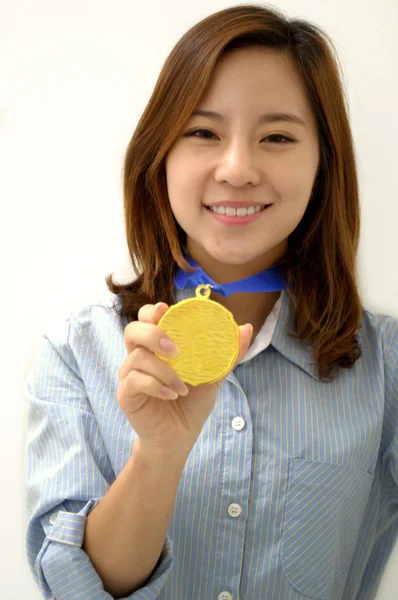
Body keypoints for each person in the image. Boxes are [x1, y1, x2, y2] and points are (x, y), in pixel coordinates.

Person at [24, 4, 398, 600]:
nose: (238, 168)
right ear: (160, 156)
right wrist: (160, 453)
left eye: (276, 136)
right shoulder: (76, 352)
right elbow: (74, 590)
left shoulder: (385, 365)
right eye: (203, 132)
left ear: (323, 164)